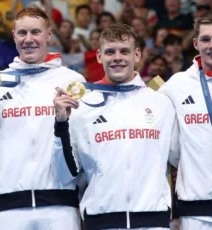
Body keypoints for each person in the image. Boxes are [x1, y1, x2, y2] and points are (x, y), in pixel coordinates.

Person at [0, 6, 86, 230]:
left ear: (49, 35)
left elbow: (82, 147)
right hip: (9, 207)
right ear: (14, 36)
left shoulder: (72, 82)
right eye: (22, 33)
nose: (28, 39)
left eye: (36, 32)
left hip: (59, 207)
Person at [52, 23, 176, 230]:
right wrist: (61, 124)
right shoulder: (83, 107)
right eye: (110, 52)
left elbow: (179, 159)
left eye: (124, 51)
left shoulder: (161, 103)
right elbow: (66, 173)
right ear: (99, 57)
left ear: (137, 54)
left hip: (153, 221)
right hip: (102, 221)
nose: (117, 57)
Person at [159, 13, 212, 230]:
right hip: (195, 207)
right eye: (206, 39)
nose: (211, 45)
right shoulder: (177, 84)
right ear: (195, 43)